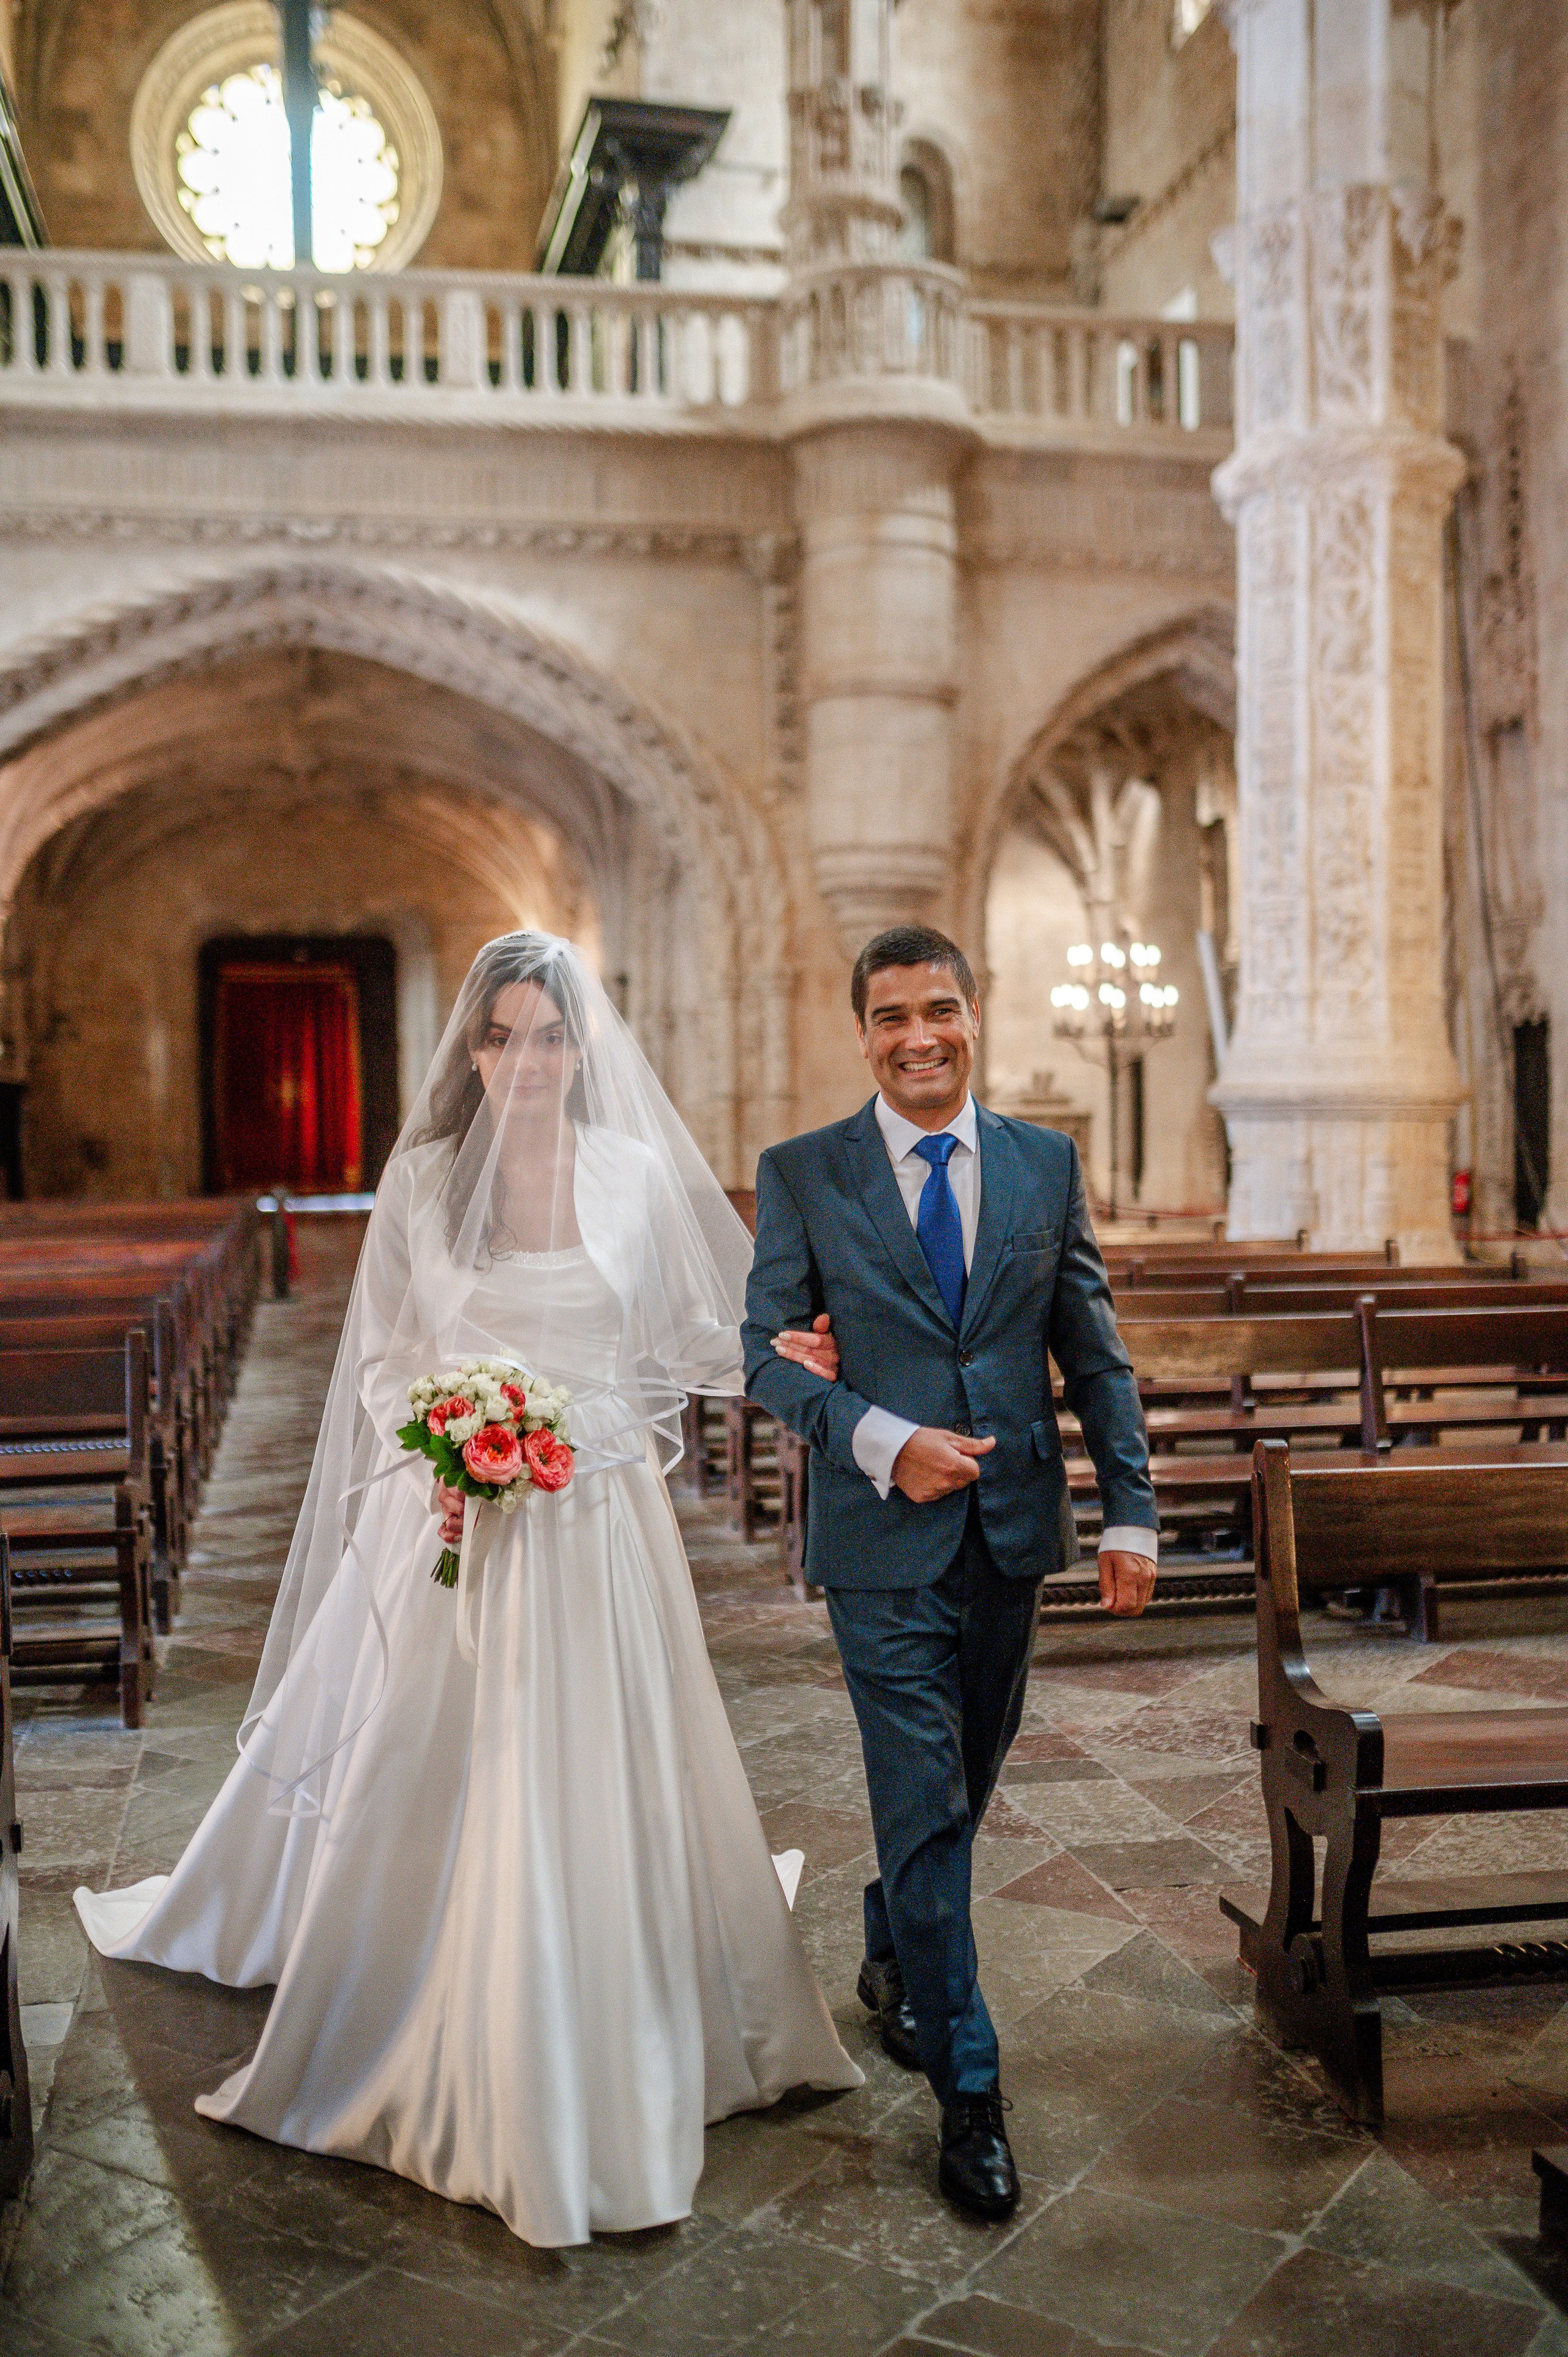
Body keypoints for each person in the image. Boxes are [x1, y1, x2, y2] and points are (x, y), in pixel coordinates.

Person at [76, 933, 860, 2249]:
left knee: (607, 1747)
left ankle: (612, 1996)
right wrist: (443, 1446)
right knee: (447, 1750)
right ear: (474, 1053)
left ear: (581, 1051)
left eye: (550, 1038)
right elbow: (384, 1360)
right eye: (503, 1038)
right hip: (459, 1512)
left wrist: (776, 1350)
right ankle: (435, 1981)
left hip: (600, 1509)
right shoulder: (425, 1182)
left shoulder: (629, 1173)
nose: (528, 1062)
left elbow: (685, 1332)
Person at [742, 923, 1157, 2221]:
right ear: (862, 1034)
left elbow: (1092, 1351)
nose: (916, 1036)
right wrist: (881, 1438)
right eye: (890, 1016)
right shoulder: (804, 1172)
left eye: (938, 1010)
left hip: (1012, 1533)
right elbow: (763, 1357)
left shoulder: (1043, 1163)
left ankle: (892, 1941)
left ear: (974, 1016)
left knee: (964, 1784)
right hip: (880, 1543)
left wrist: (1133, 1514)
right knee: (923, 1801)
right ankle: (969, 2094)